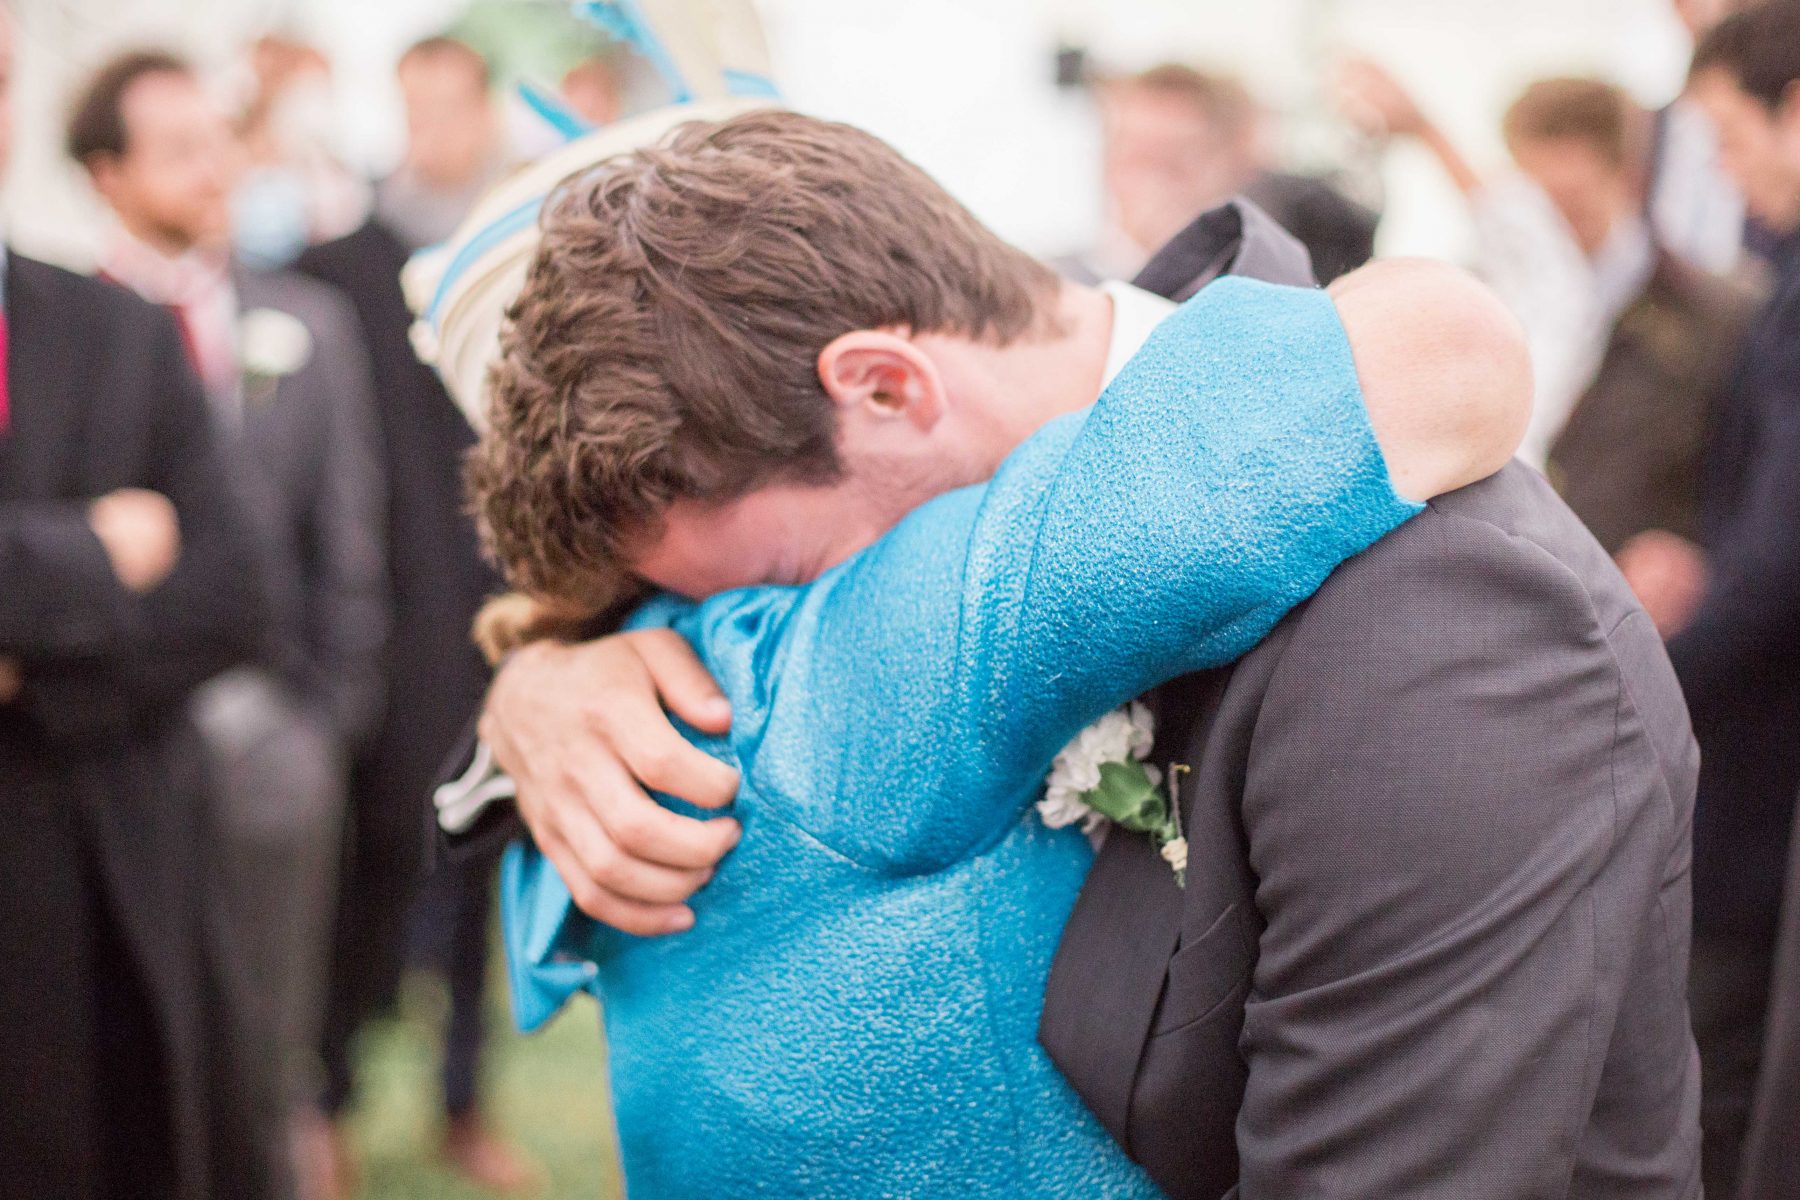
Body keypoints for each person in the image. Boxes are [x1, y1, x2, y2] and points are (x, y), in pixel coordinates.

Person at [442, 104, 1699, 1200]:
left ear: (884, 388)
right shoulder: (964, 574)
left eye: (774, 591)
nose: (772, 645)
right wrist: (536, 687)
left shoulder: (1436, 610)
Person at [68, 49, 388, 1200]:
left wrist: (326, 720)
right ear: (106, 173)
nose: (214, 170)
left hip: (278, 741)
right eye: (179, 149)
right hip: (103, 750)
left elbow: (350, 535)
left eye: (219, 142)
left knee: (268, 1041)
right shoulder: (61, 331)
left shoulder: (309, 322)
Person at [0, 14, 272, 1200]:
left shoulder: (114, 329)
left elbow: (232, 594)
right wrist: (90, 554)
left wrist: (26, 667)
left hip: (103, 865)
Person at [294, 33, 536, 1198]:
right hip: (377, 623)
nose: (431, 128)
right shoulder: (336, 270)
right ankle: (327, 1102)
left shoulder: (518, 263)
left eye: (450, 105)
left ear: (484, 112)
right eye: (414, 106)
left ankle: (462, 1103)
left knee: (480, 866)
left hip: (497, 615)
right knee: (371, 869)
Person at [1340, 67, 1755, 568]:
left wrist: (1694, 553)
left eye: (1570, 201)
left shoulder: (1719, 316)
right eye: (1533, 201)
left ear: (1629, 174)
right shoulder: (1480, 310)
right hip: (1514, 579)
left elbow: (1747, 471)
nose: (1549, 226)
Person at [1664, 6, 1800, 1195]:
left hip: (1763, 762)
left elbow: (1782, 553)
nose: (1717, 165)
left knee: (1725, 1082)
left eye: (1726, 133)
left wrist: (1652, 677)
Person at [1081, 64, 1379, 285]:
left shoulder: (1278, 270)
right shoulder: (1073, 289)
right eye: (1135, 159)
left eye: (1173, 167)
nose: (1150, 187)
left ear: (1231, 164)